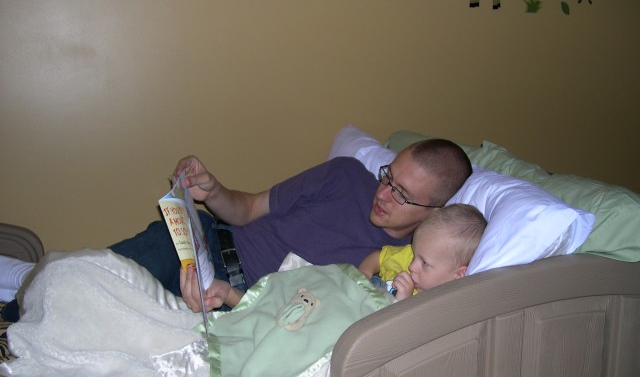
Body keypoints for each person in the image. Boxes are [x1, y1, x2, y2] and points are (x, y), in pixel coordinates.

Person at [2, 136, 472, 322]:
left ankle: (21, 297)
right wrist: (212, 189)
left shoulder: (407, 265)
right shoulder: (346, 174)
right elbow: (247, 209)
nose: (383, 193)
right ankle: (16, 305)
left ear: (435, 211)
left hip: (238, 303)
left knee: (96, 314)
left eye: (403, 194)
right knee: (87, 279)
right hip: (206, 240)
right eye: (388, 175)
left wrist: (224, 297)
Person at [358, 204, 487, 300]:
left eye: (425, 263)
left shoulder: (437, 303)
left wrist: (403, 302)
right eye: (415, 253)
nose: (411, 266)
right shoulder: (409, 256)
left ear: (458, 274)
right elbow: (377, 257)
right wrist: (363, 274)